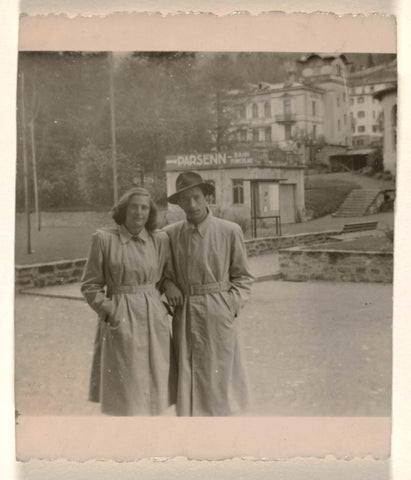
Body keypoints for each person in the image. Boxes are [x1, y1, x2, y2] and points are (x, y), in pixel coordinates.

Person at [81, 187, 180, 416]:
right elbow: (90, 285)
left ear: (150, 212)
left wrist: (169, 289)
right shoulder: (104, 239)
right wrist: (110, 310)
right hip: (121, 315)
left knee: (154, 383)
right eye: (134, 206)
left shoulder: (160, 239)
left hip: (153, 315)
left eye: (144, 207)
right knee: (127, 386)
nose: (139, 212)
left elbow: (166, 275)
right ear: (124, 210)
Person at [163, 171, 254, 416]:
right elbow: (163, 272)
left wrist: (229, 306)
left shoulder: (229, 231)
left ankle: (224, 433)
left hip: (218, 312)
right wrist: (168, 284)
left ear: (206, 198)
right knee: (190, 372)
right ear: (179, 203)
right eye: (185, 200)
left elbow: (243, 277)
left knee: (220, 373)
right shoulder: (170, 234)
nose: (191, 205)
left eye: (196, 197)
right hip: (186, 314)